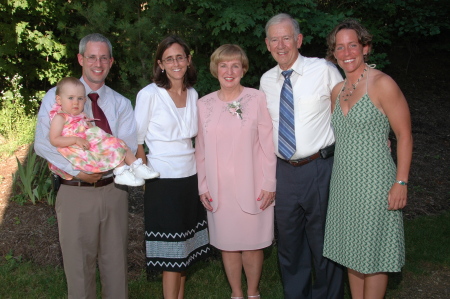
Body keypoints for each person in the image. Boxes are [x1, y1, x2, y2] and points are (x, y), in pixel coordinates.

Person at [34, 33, 135, 298]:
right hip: (75, 190)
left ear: (111, 62)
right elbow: (43, 144)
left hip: (114, 191)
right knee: (78, 270)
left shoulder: (121, 103)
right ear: (81, 59)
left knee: (116, 267)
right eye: (92, 56)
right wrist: (79, 172)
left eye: (104, 57)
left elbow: (128, 147)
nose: (98, 63)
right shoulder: (56, 98)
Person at [323, 19, 413, 299]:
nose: (347, 52)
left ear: (365, 48)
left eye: (353, 45)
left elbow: (405, 135)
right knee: (352, 252)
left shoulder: (383, 84)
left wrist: (401, 182)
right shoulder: (337, 91)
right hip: (344, 184)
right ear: (334, 53)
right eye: (340, 47)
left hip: (375, 183)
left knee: (373, 255)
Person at [259, 13, 345, 298]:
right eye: (274, 39)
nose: (281, 45)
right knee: (289, 244)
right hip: (282, 171)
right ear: (267, 44)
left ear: (298, 40)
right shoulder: (266, 81)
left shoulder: (324, 70)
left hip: (318, 168)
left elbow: (347, 113)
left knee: (324, 242)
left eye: (286, 37)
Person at [196, 44, 276, 299]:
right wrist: (203, 186)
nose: (229, 71)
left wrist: (270, 183)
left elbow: (267, 144)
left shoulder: (256, 99)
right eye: (223, 65)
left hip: (253, 186)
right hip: (220, 190)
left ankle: (253, 293)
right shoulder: (203, 104)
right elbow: (201, 150)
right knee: (228, 246)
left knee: (252, 246)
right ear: (215, 69)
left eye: (235, 65)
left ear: (243, 69)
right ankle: (236, 294)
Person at [134, 36, 210, 299]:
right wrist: (144, 177)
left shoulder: (193, 94)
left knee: (185, 251)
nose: (176, 63)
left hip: (190, 177)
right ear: (160, 64)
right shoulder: (149, 94)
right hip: (162, 181)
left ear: (189, 60)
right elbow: (137, 140)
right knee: (171, 255)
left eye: (180, 57)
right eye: (169, 59)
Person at [49, 77, 159, 187]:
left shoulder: (81, 116)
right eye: (71, 98)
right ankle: (121, 171)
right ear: (59, 100)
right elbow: (54, 139)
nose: (76, 103)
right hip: (76, 149)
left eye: (80, 98)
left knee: (119, 143)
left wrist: (98, 134)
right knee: (113, 144)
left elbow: (92, 130)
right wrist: (76, 139)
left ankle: (135, 166)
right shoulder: (60, 118)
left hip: (88, 144)